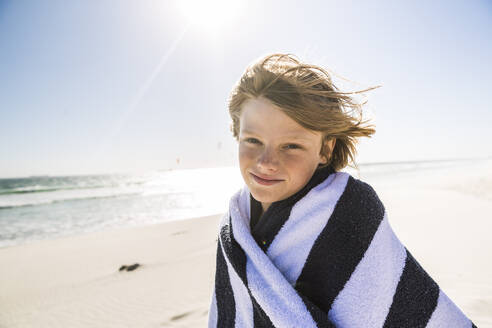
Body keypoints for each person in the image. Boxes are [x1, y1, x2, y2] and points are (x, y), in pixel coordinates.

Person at [208, 53, 476, 327]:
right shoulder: (234, 224)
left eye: (291, 146)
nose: (265, 163)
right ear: (237, 134)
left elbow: (395, 308)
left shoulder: (351, 211)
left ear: (325, 149)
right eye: (252, 140)